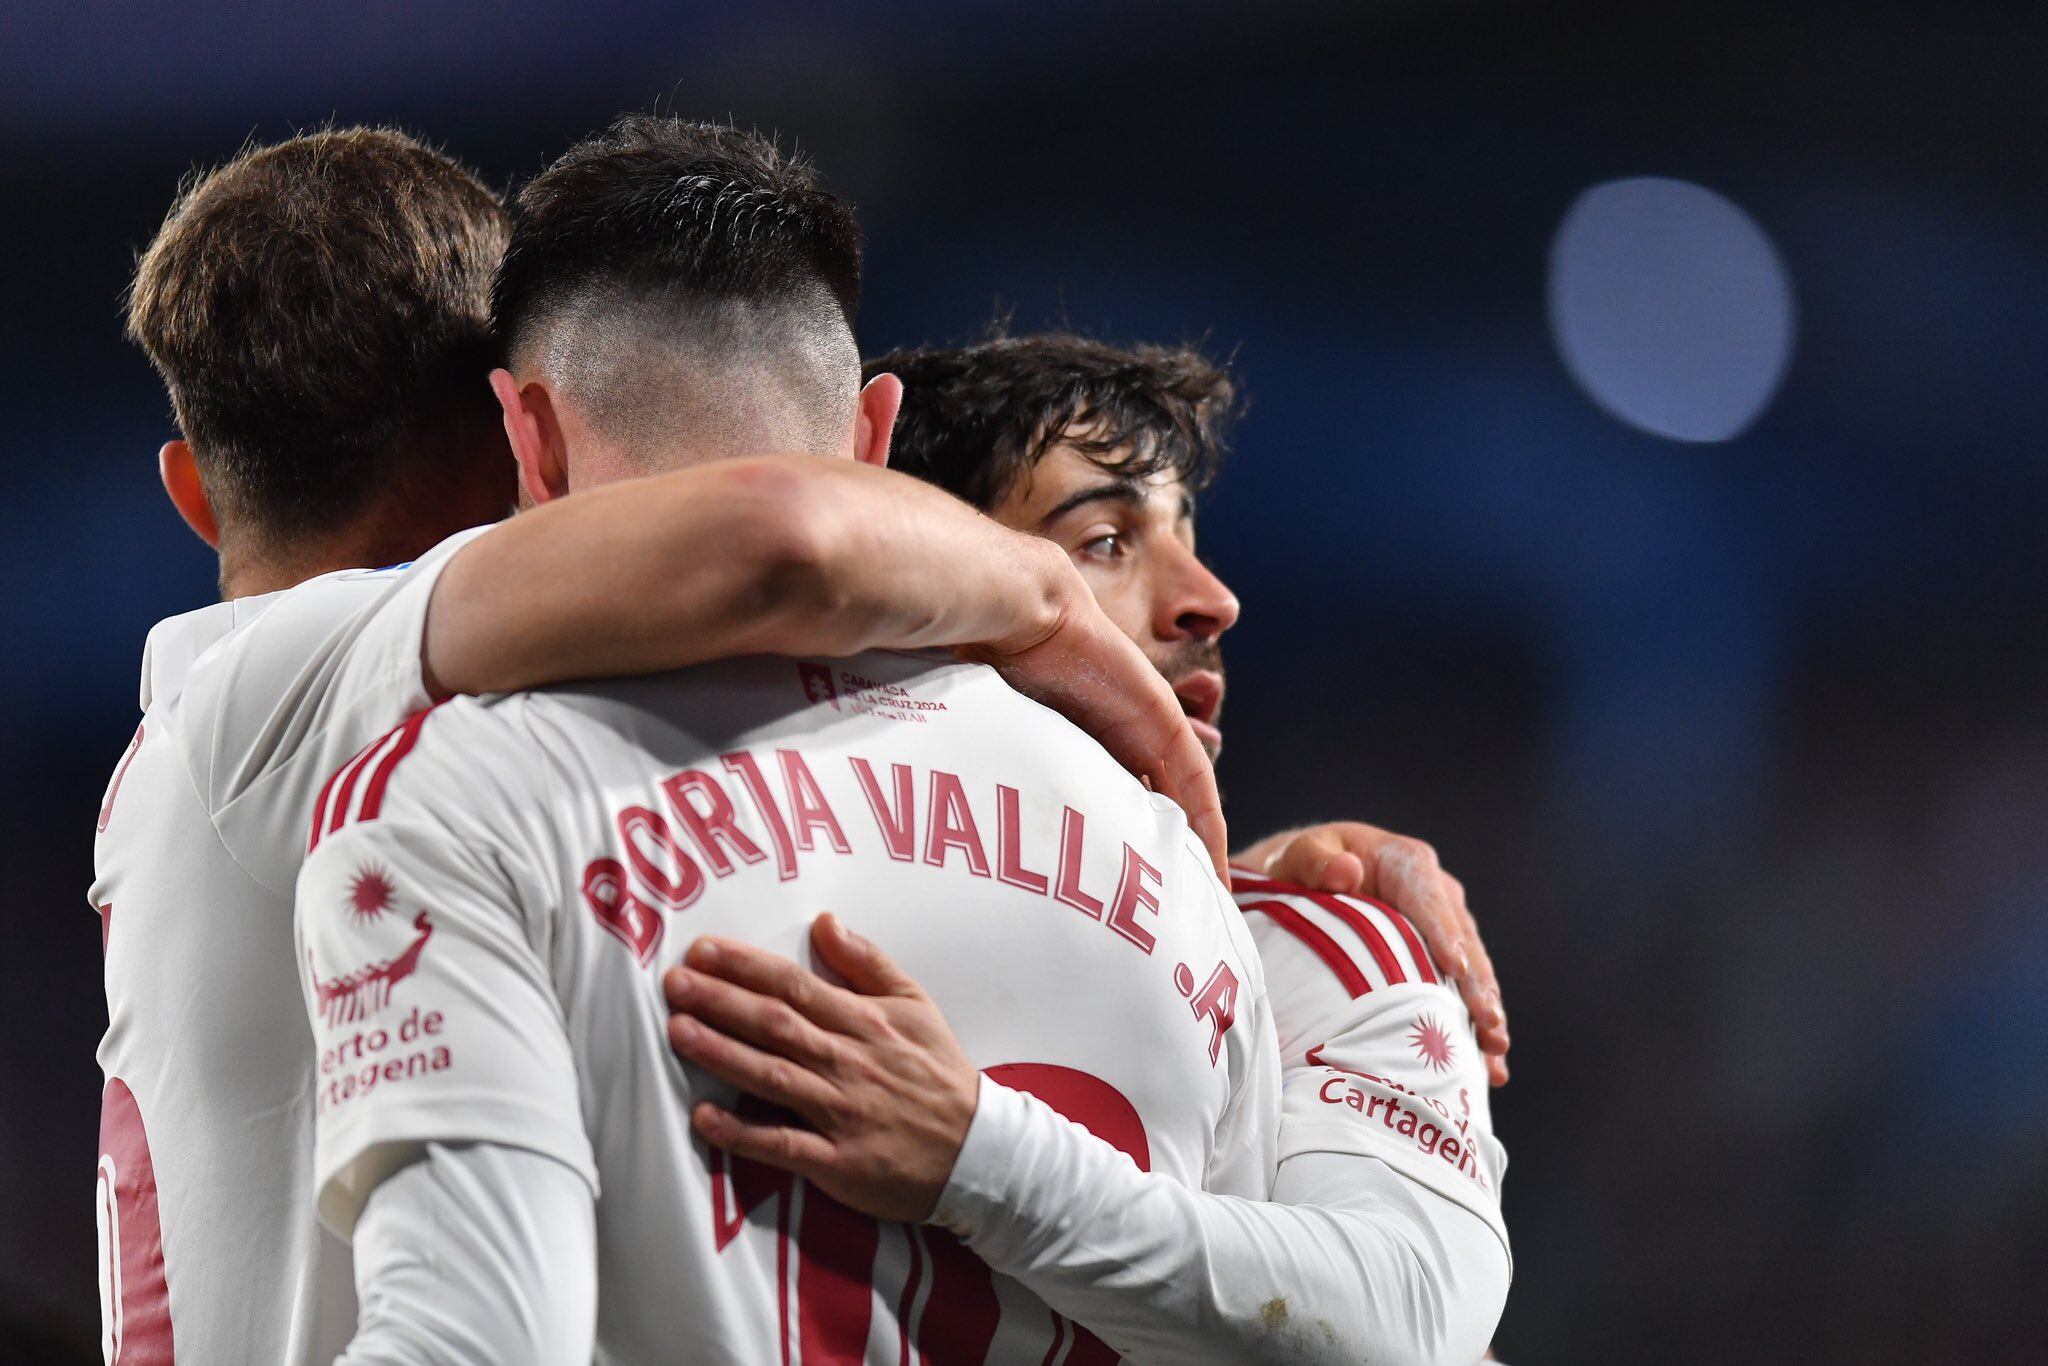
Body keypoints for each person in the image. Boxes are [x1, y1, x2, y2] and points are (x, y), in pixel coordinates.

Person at [93, 128, 1208, 1366]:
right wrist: (1045, 599)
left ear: (193, 491)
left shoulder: (294, 737)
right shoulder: (290, 679)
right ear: (515, 434)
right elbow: (783, 534)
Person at [661, 333, 1513, 1363]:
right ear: (932, 585)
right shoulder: (721, 854)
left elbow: (1403, 1323)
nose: (1210, 596)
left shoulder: (1316, 947)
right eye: (1105, 539)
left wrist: (974, 1153)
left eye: (1184, 532)